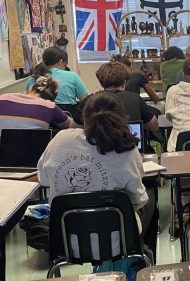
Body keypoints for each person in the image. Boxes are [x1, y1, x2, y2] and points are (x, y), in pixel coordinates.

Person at [37, 91, 155, 236]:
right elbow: (137, 201)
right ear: (122, 118)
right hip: (117, 243)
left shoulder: (60, 139)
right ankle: (142, 253)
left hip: (66, 241)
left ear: (84, 119)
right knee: (150, 198)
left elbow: (43, 179)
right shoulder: (127, 148)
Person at [93, 61, 159, 132]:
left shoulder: (92, 101)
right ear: (124, 81)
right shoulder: (135, 99)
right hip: (130, 141)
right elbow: (154, 126)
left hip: (101, 142)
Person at [25, 47, 88, 114]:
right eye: (65, 65)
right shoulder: (72, 75)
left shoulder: (32, 78)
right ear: (61, 61)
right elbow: (85, 100)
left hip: (40, 117)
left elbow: (28, 101)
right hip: (67, 116)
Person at [0, 75, 73, 130]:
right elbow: (71, 125)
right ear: (52, 99)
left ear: (30, 88)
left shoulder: (3, 97)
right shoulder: (49, 106)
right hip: (31, 149)